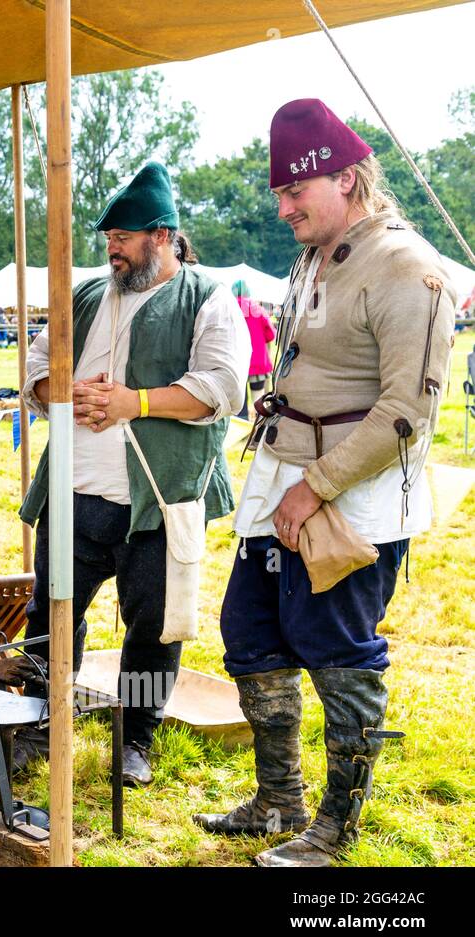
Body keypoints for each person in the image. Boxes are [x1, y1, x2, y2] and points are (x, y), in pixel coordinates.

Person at [193, 99, 457, 866]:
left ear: (345, 179)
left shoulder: (408, 268)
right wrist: (289, 482)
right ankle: (279, 800)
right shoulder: (316, 253)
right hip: (283, 475)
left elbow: (408, 408)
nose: (282, 209)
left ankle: (336, 829)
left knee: (336, 647)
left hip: (355, 497)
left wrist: (318, 486)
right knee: (252, 631)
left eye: (293, 194)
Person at [20, 162, 249, 786]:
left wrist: (133, 402)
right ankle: (42, 718)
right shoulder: (88, 295)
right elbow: (34, 368)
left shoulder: (206, 297)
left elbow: (225, 387)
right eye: (108, 238)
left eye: (123, 236)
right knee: (50, 612)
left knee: (153, 626)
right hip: (72, 494)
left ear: (164, 235)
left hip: (157, 501)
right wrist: (65, 389)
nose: (112, 248)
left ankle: (134, 738)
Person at [234, 279, 275, 419]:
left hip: (235, 364)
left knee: (239, 403)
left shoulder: (228, 306)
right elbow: (270, 334)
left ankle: (242, 426)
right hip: (258, 362)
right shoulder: (258, 308)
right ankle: (258, 428)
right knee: (259, 399)